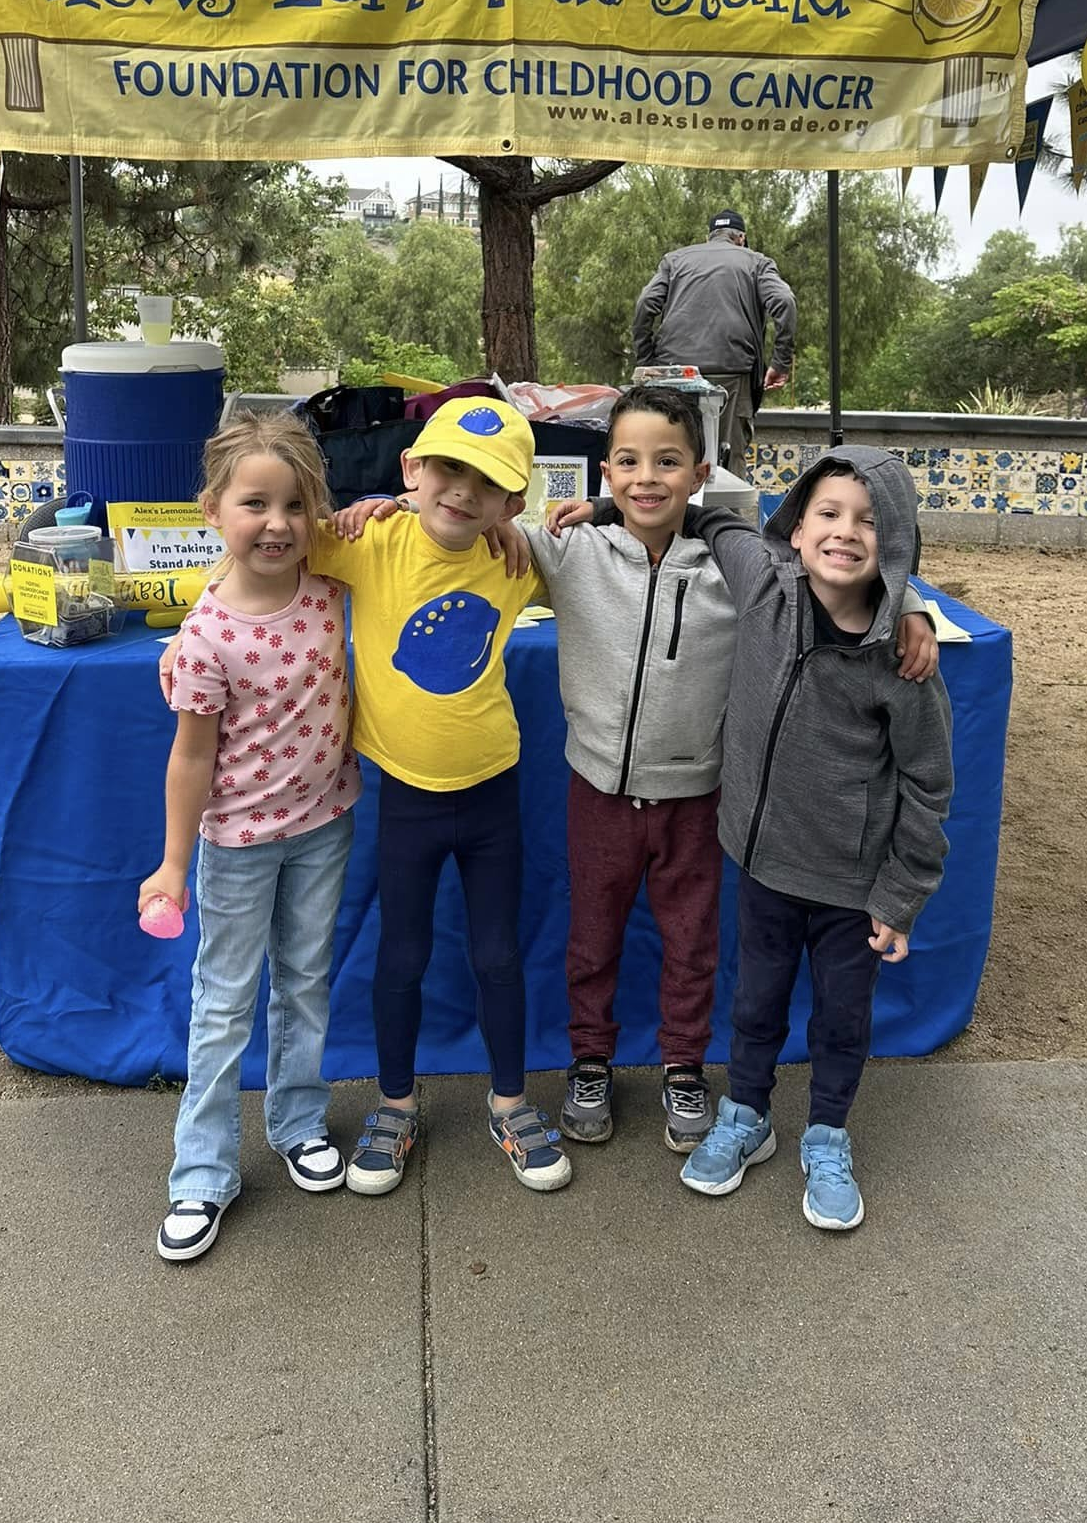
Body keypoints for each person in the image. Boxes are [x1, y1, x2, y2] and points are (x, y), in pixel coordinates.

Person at [356, 388, 937, 1161]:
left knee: (691, 943)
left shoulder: (739, 568)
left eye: (667, 462)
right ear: (606, 471)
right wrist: (388, 505)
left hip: (696, 796)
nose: (646, 477)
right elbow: (467, 522)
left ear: (699, 473)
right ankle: (589, 1060)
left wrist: (909, 604)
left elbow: (832, 573)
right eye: (628, 461)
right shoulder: (568, 551)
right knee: (591, 939)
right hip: (597, 789)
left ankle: (684, 1066)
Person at [670, 446, 953, 1232]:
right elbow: (707, 520)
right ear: (795, 528)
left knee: (840, 1019)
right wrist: (597, 507)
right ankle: (747, 1115)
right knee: (755, 1002)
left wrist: (901, 895)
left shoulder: (903, 662)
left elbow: (929, 783)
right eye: (828, 513)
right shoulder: (763, 582)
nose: (845, 532)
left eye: (869, 521)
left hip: (852, 889)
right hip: (763, 866)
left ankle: (827, 1136)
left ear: (895, 544)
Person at [312, 396, 572, 1196]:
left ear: (512, 503)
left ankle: (510, 1101)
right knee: (402, 953)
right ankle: (395, 1104)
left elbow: (622, 556)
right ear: (412, 469)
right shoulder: (371, 541)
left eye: (487, 482)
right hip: (406, 798)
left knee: (497, 953)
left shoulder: (515, 558)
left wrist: (567, 519)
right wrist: (202, 619)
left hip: (492, 789)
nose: (463, 490)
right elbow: (269, 539)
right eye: (449, 469)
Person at [139, 412, 362, 1264]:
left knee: (305, 982)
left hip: (325, 826)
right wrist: (173, 863)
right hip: (236, 843)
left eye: (296, 505)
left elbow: (401, 528)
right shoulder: (205, 640)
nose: (277, 523)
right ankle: (202, 1169)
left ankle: (298, 1122)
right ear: (212, 511)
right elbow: (190, 759)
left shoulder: (330, 585)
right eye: (255, 504)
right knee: (225, 1001)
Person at [632, 208, 797, 469]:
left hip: (674, 374)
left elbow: (645, 304)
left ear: (709, 236)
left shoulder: (674, 260)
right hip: (732, 372)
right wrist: (780, 363)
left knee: (670, 456)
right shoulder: (756, 262)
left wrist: (647, 361)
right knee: (728, 461)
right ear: (741, 238)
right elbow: (784, 301)